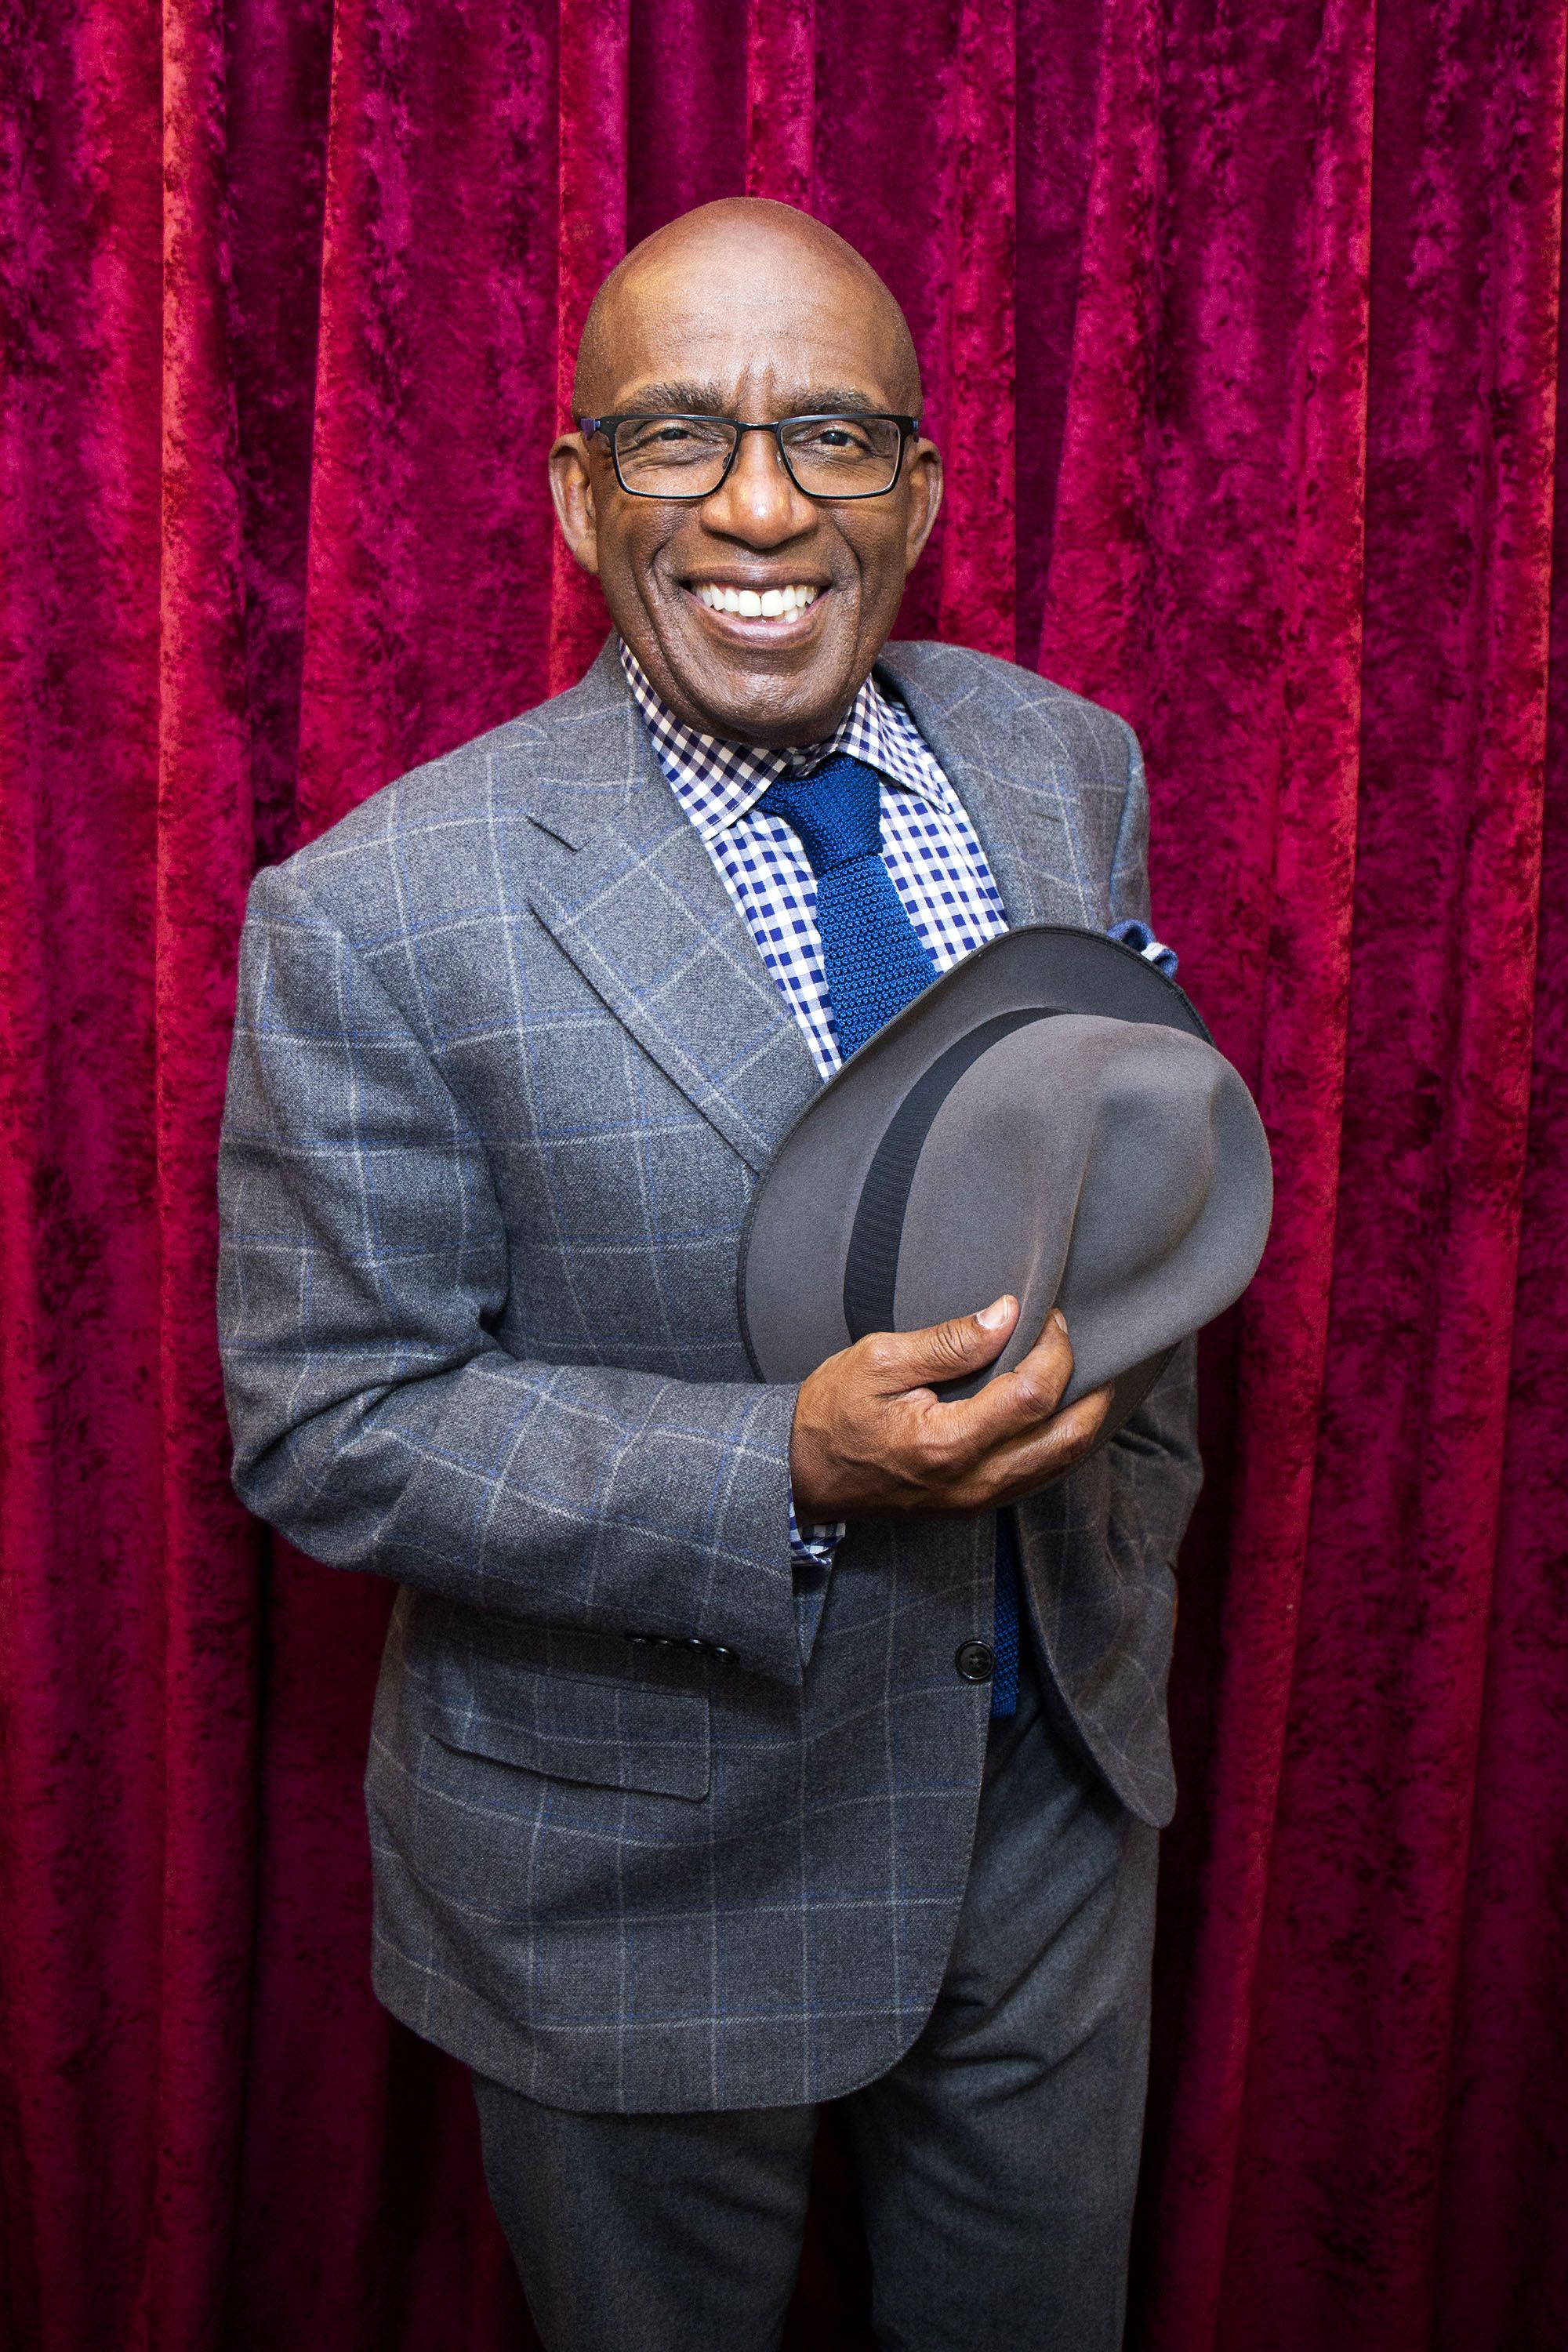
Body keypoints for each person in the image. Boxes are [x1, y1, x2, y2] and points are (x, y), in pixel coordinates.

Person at [218, 198, 1200, 2352]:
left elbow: (1133, 1175)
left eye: (834, 434)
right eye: (679, 437)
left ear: (919, 489)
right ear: (582, 494)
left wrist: (1133, 1510)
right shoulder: (375, 907)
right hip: (636, 1886)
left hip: (1045, 1811)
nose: (763, 504)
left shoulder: (1066, 765)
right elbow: (333, 1429)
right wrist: (787, 1468)